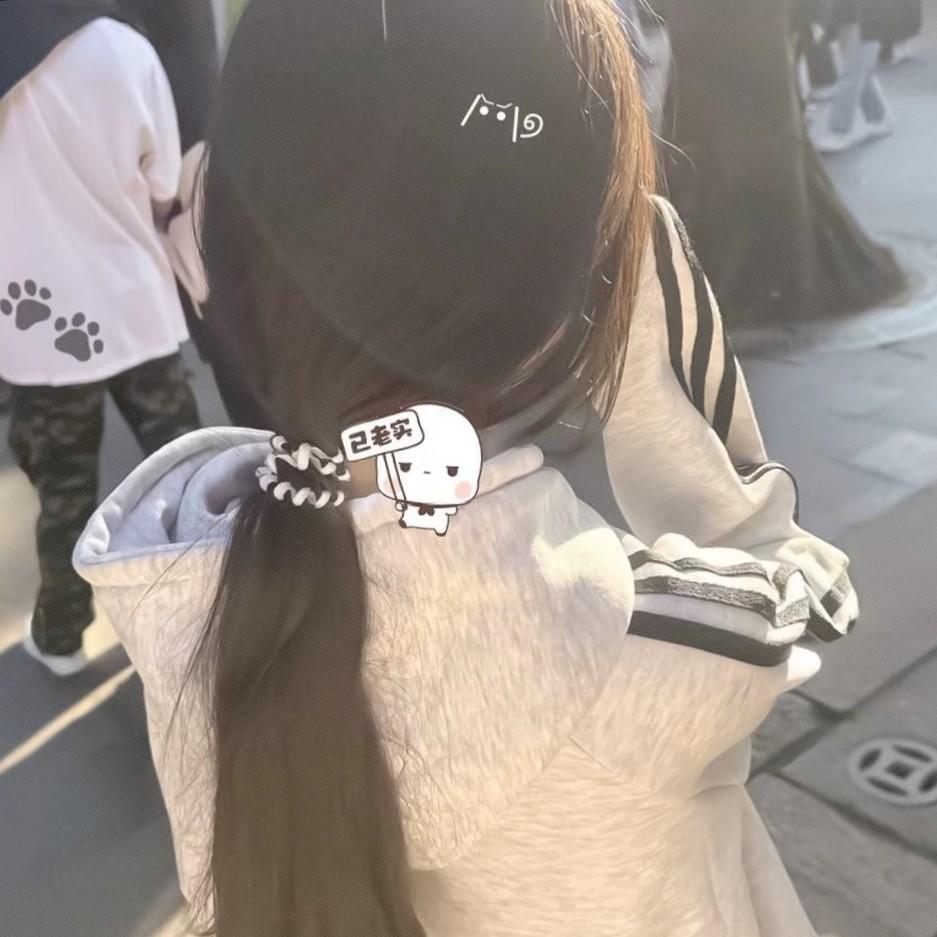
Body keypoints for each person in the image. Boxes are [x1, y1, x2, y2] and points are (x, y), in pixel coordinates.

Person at [75, 0, 857, 934]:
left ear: (225, 249)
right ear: (579, 296)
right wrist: (651, 308)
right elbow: (791, 581)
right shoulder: (641, 643)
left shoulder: (178, 580)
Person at [0, 1, 200, 677]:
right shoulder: (123, 47)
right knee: (184, 470)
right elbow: (164, 183)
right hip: (133, 301)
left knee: (64, 495)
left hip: (38, 324)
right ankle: (212, 607)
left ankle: (60, 635)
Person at [811, 0, 893, 154]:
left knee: (853, 70)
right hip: (848, 12)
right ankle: (879, 117)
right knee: (858, 67)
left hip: (867, 13)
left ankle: (839, 131)